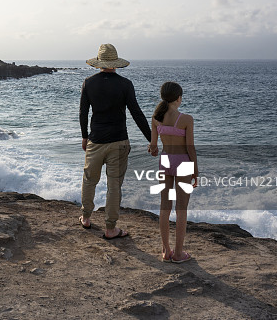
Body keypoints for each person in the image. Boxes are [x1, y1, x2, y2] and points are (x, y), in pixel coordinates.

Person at [79, 44, 152, 239]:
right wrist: (152, 139)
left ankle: (86, 217)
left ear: (99, 63)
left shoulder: (88, 83)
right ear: (115, 64)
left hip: (95, 141)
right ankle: (111, 228)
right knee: (114, 186)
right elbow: (137, 113)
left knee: (89, 180)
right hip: (119, 141)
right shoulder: (125, 84)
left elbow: (83, 112)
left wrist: (84, 136)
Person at [148, 81, 198, 263]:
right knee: (181, 208)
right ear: (179, 98)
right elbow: (190, 148)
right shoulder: (186, 119)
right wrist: (196, 171)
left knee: (165, 206)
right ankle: (178, 254)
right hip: (183, 162)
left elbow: (154, 148)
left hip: (165, 160)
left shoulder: (155, 118)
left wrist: (152, 149)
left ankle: (166, 250)